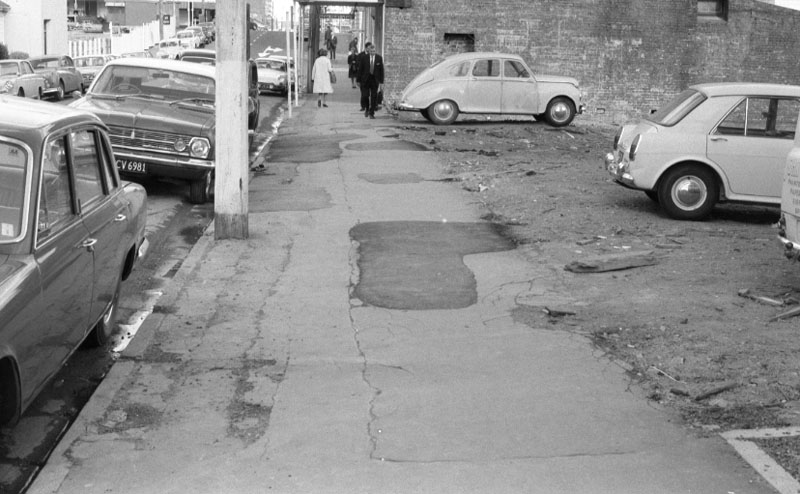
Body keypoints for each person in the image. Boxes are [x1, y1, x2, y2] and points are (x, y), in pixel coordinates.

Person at [356, 42, 383, 119]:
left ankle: (372, 113)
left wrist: (381, 82)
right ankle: (367, 108)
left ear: (375, 51)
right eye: (371, 51)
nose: (372, 53)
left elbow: (381, 70)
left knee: (374, 96)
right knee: (365, 96)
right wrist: (358, 80)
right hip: (365, 80)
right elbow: (360, 69)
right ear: (369, 51)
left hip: (374, 80)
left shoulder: (379, 58)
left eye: (374, 51)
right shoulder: (364, 58)